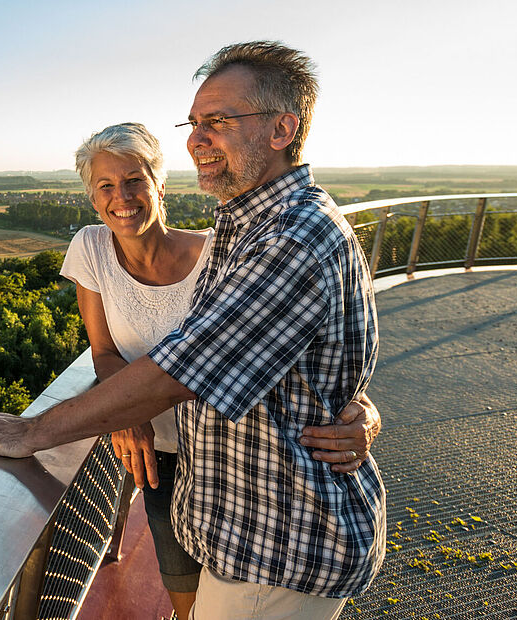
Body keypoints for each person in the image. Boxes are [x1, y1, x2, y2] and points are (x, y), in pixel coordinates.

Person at [0, 41, 384, 619]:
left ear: (282, 129)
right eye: (194, 123)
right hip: (232, 518)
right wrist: (354, 404)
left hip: (277, 544)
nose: (197, 138)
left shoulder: (291, 240)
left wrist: (33, 432)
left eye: (218, 121)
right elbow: (300, 361)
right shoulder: (247, 226)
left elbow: (184, 368)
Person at [57, 121, 379, 620]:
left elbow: (304, 343)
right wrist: (123, 413)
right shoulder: (91, 248)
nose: (122, 197)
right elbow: (102, 350)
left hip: (234, 463)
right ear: (91, 197)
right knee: (187, 604)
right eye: (105, 186)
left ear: (159, 183)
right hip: (161, 459)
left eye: (135, 180)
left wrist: (361, 408)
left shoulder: (220, 251)